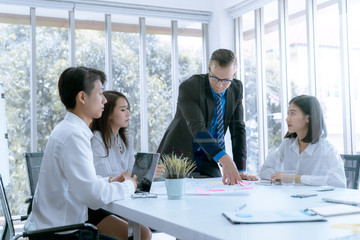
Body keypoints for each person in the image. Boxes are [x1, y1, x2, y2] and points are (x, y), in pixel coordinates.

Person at [24, 67, 138, 240]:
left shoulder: (70, 130)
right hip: (59, 235)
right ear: (82, 97)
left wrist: (108, 181)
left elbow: (79, 182)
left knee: (136, 234)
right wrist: (129, 186)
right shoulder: (73, 136)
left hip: (57, 228)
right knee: (133, 236)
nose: (105, 100)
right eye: (100, 93)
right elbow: (92, 195)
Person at [157, 49, 257, 185]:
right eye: (215, 78)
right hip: (178, 155)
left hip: (208, 156)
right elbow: (197, 127)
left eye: (226, 80)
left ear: (234, 74)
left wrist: (240, 169)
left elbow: (238, 130)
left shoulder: (236, 89)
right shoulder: (190, 87)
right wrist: (224, 158)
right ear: (209, 69)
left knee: (216, 195)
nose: (220, 85)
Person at [90, 90, 152, 240]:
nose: (128, 114)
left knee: (144, 233)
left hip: (119, 200)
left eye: (128, 110)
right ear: (108, 113)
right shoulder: (97, 139)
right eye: (123, 110)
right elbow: (106, 177)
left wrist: (147, 172)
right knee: (140, 234)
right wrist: (128, 177)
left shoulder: (127, 139)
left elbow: (130, 173)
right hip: (97, 206)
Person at [259, 95, 346, 188]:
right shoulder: (287, 143)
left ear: (307, 118)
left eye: (292, 113)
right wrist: (281, 177)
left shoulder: (327, 149)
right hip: (291, 199)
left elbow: (339, 182)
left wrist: (296, 178)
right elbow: (264, 170)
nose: (287, 119)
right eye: (288, 114)